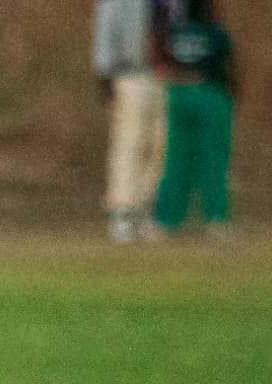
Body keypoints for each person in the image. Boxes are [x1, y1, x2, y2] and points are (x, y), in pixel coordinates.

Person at [152, 0, 235, 238]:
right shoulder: (216, 33)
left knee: (176, 160)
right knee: (213, 160)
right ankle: (217, 219)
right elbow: (229, 64)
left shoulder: (175, 32)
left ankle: (166, 220)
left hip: (179, 94)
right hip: (211, 94)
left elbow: (164, 59)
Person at [95, 0, 166, 242]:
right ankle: (123, 213)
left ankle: (146, 209)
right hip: (129, 73)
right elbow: (105, 31)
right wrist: (105, 76)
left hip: (163, 75)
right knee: (128, 143)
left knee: (158, 146)